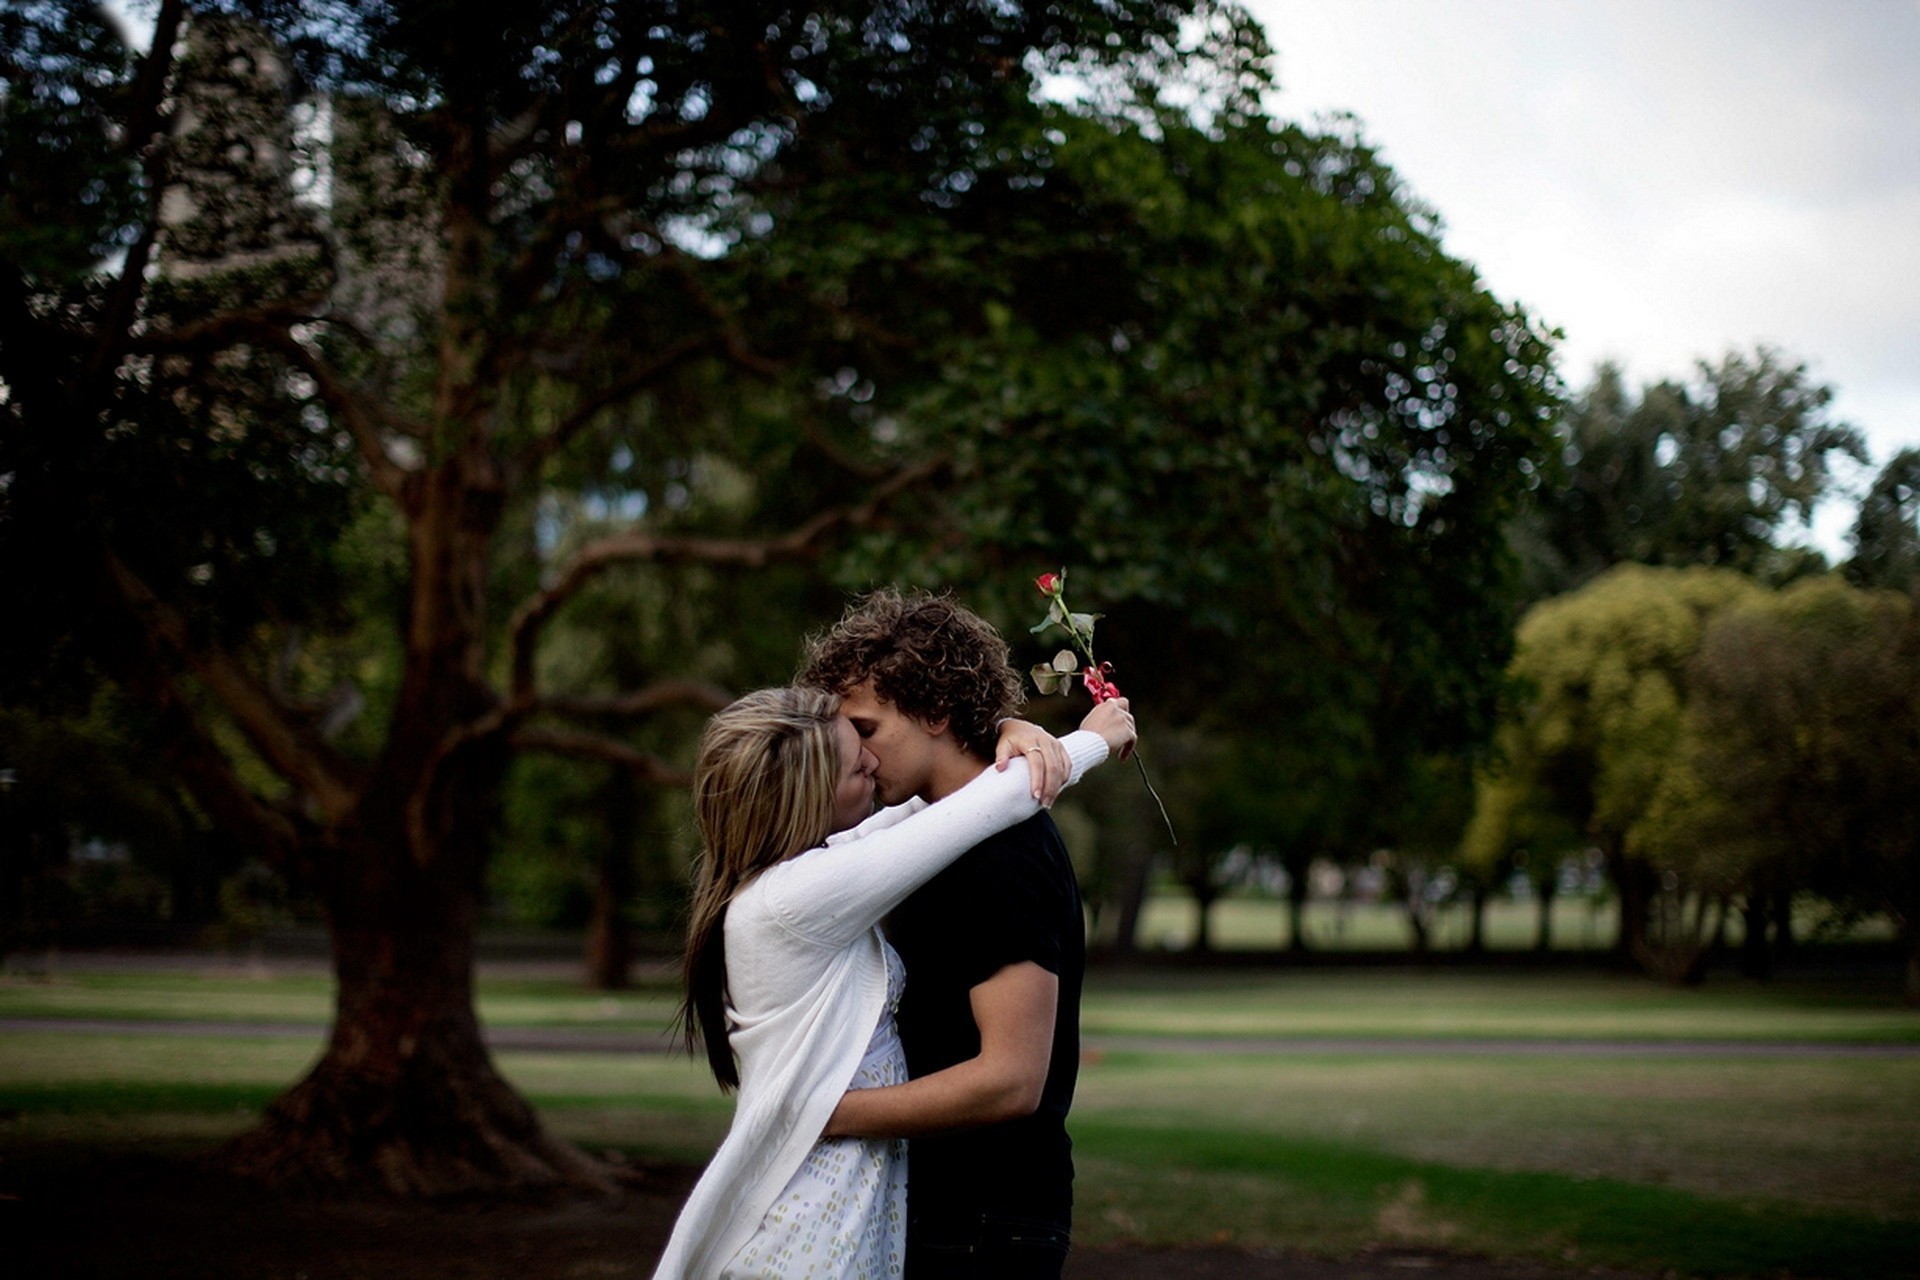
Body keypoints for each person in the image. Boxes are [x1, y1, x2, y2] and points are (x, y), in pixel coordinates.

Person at [651, 683, 1135, 1280]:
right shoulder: (795, 899)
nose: (874, 765)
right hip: (813, 1228)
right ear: (807, 797)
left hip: (849, 1209)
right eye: (859, 764)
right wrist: (1092, 740)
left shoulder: (794, 879)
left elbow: (944, 804)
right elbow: (970, 813)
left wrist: (1002, 733)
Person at [801, 589, 1113, 1278]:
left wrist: (827, 1113)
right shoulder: (937, 832)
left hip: (987, 1220)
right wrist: (1012, 723)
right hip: (949, 1211)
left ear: (936, 713)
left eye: (868, 728)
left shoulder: (1004, 854)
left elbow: (1011, 1079)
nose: (856, 753)